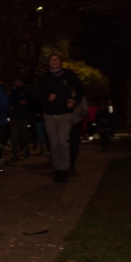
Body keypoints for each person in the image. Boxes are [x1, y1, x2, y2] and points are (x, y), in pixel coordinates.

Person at [35, 53, 82, 182]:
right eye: (52, 60)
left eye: (56, 59)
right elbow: (37, 95)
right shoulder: (44, 78)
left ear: (60, 61)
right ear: (49, 62)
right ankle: (57, 168)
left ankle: (65, 168)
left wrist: (74, 100)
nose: (54, 62)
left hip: (65, 114)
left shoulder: (69, 75)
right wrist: (46, 99)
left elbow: (80, 89)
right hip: (49, 115)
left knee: (63, 141)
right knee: (54, 143)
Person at [8, 76, 34, 160]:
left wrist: (26, 104)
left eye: (19, 82)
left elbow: (32, 102)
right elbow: (10, 103)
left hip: (24, 117)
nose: (17, 83)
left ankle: (26, 148)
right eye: (16, 82)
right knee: (14, 136)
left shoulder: (27, 92)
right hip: (14, 117)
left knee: (24, 135)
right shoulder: (12, 92)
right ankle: (15, 153)